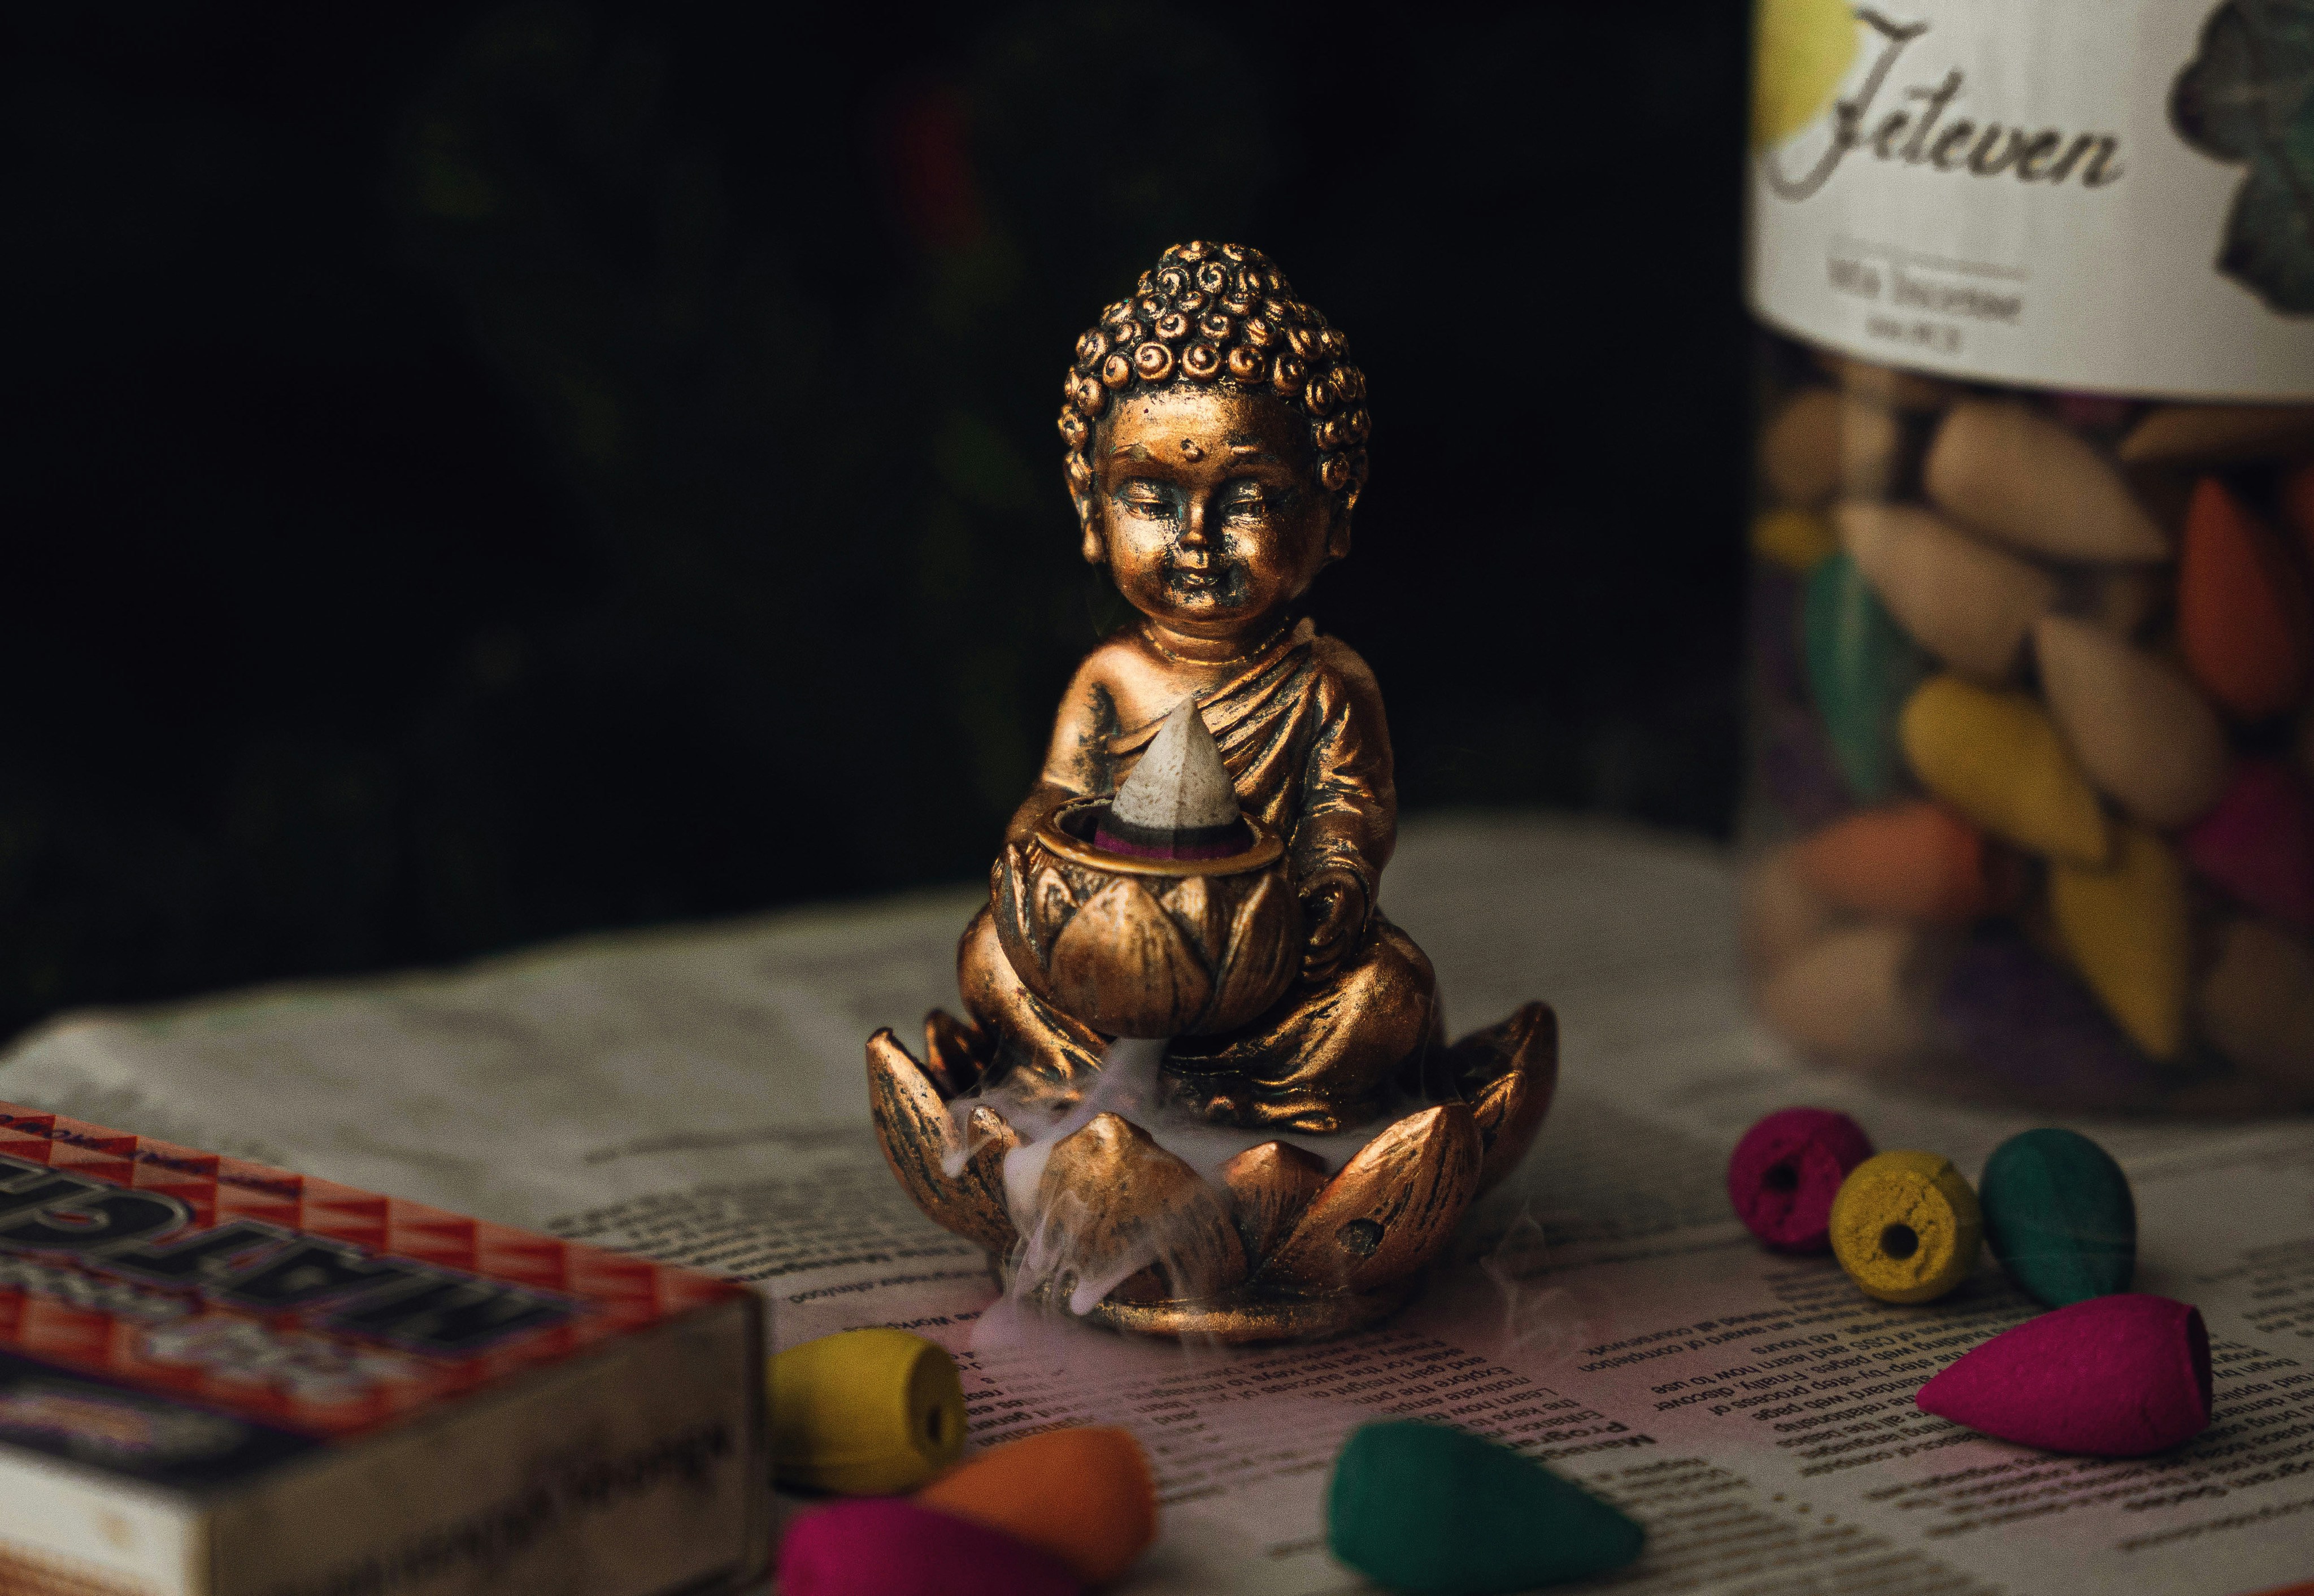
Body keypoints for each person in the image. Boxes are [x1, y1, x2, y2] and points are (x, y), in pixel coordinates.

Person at [946, 242, 1440, 1133]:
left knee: (1391, 992)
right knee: (988, 951)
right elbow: (1058, 798)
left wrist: (1333, 886)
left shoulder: (1326, 683)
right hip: (1116, 966)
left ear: (1335, 510)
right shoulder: (1114, 676)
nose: (1198, 538)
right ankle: (1084, 1076)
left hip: (1271, 972)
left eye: (1249, 496)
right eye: (1151, 497)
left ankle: (1245, 1097)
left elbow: (1348, 812)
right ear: (1090, 507)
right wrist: (1036, 873)